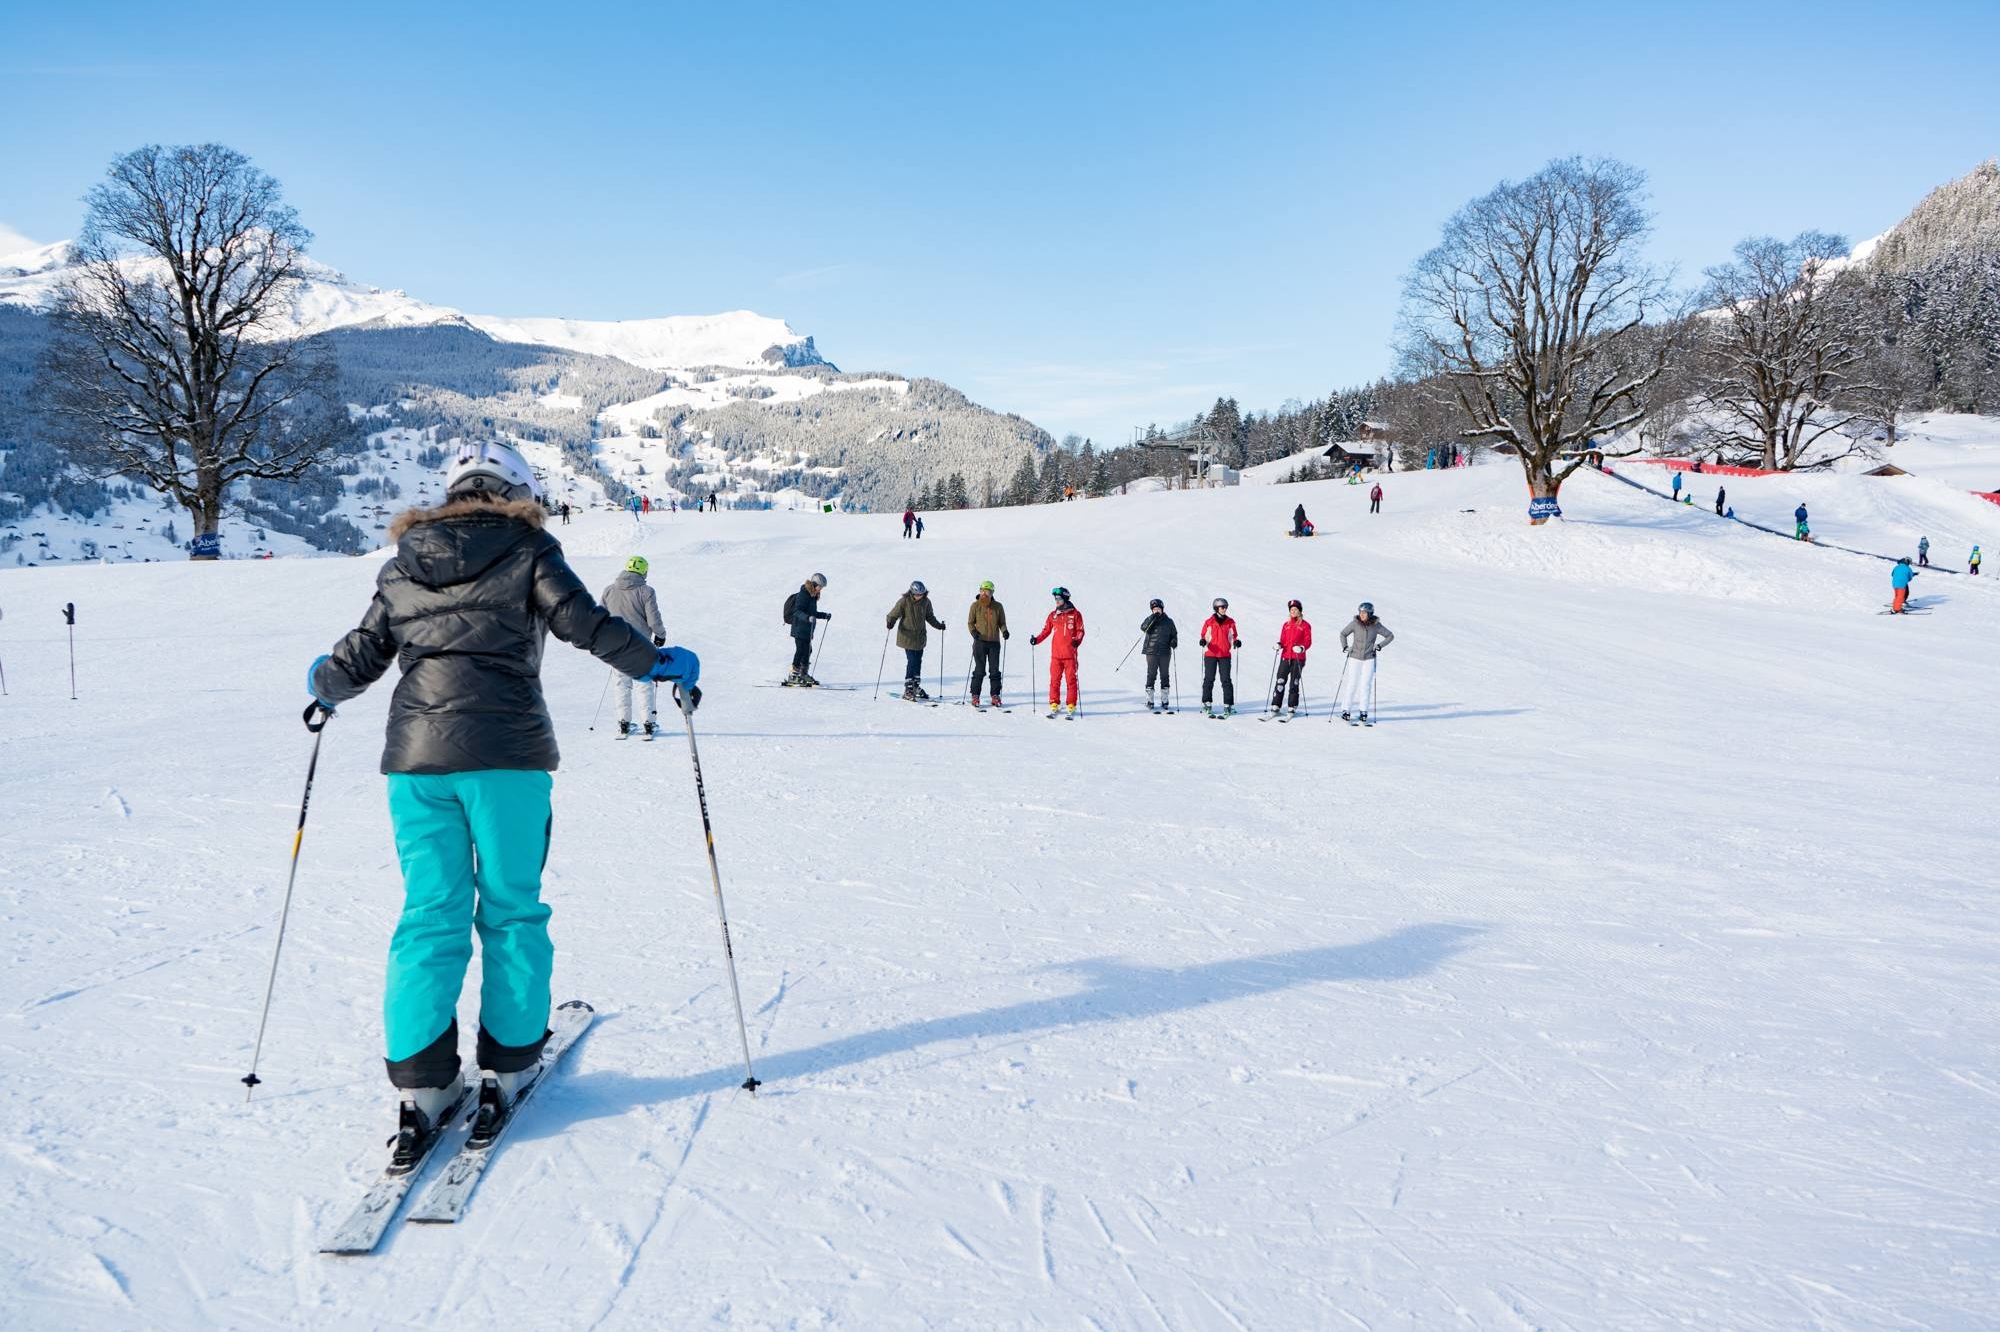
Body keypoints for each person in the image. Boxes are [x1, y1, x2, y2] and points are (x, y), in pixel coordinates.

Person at [306, 439, 698, 1156]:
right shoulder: (530, 550)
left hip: (417, 766)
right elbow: (588, 626)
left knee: (430, 913)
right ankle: (509, 1065)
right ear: (518, 492)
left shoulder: (404, 562)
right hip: (508, 758)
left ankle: (423, 1085)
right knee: (512, 909)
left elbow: (358, 657)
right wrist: (659, 663)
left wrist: (325, 685)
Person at [602, 555, 667, 735]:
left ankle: (623, 723)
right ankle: (648, 723)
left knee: (621, 684)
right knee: (643, 683)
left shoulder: (609, 591)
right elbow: (654, 619)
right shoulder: (646, 591)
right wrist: (660, 635)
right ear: (643, 571)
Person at [886, 579, 946, 700]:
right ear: (912, 593)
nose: (920, 596)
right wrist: (890, 622)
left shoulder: (926, 602)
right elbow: (893, 613)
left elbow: (930, 617)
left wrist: (939, 625)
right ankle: (908, 688)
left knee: (918, 661)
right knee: (912, 661)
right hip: (907, 637)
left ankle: (915, 685)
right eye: (917, 594)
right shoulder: (904, 601)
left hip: (920, 638)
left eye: (922, 594)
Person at [1030, 587, 1085, 716]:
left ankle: (1071, 705)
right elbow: (1046, 631)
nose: (1056, 601)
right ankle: (1054, 703)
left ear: (1065, 598)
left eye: (1059, 598)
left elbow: (1081, 631)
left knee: (1071, 680)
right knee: (1054, 680)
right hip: (1056, 655)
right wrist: (1036, 640)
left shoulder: (1075, 614)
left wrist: (1077, 641)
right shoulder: (1053, 615)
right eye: (1055, 599)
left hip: (1070, 655)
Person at [1335, 602, 1393, 722]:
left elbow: (1390, 636)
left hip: (1369, 658)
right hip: (1354, 657)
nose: (1361, 615)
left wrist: (1379, 646)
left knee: (1366, 685)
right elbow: (1343, 634)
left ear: (1370, 613)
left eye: (1364, 613)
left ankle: (1364, 712)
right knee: (1352, 683)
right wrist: (1345, 647)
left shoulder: (1376, 625)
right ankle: (1346, 710)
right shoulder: (1355, 624)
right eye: (1360, 612)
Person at [783, 573, 831, 685]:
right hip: (799, 627)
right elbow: (797, 611)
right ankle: (793, 676)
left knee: (808, 651)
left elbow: (812, 613)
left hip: (808, 629)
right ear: (815, 584)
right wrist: (807, 617)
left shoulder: (813, 596)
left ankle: (803, 674)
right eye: (821, 586)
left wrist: (824, 615)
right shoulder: (803, 594)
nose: (821, 589)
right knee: (800, 650)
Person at [966, 580, 1009, 707]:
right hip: (979, 642)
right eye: (983, 590)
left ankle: (995, 695)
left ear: (992, 593)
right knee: (979, 670)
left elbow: (1002, 622)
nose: (985, 593)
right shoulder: (975, 606)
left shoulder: (998, 606)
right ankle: (975, 695)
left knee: (994, 670)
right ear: (980, 591)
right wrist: (973, 632)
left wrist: (1005, 631)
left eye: (988, 591)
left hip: (994, 643)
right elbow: (970, 622)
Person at [1198, 597, 1241, 717]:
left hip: (1224, 655)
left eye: (1226, 607)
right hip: (1211, 654)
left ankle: (1228, 705)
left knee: (1226, 680)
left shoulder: (1230, 621)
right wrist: (1203, 641)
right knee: (1209, 679)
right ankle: (1207, 703)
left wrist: (1236, 642)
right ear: (1217, 608)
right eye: (1222, 607)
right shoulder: (1209, 622)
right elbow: (1205, 635)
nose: (1225, 609)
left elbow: (1233, 636)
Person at [1272, 600, 1311, 716]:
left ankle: (1292, 706)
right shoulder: (1286, 625)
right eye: (1291, 610)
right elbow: (1283, 640)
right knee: (1280, 681)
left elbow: (1308, 641)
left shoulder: (1305, 625)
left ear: (1300, 611)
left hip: (1298, 658)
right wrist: (1279, 645)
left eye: (1295, 610)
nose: (1293, 612)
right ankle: (1276, 704)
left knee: (1294, 682)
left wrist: (1301, 648)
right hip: (1285, 656)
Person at [1139, 598, 1177, 711]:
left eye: (1158, 609)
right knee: (1151, 674)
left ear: (1162, 609)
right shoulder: (1150, 619)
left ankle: (1165, 700)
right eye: (1154, 609)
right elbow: (1144, 627)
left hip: (1165, 652)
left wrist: (1174, 641)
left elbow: (1174, 634)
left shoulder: (1169, 621)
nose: (1156, 611)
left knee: (1164, 675)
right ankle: (1150, 700)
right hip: (1151, 651)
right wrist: (1152, 618)